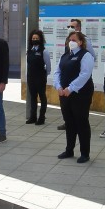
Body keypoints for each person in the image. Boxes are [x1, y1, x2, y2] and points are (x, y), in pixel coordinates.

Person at [54, 30, 96, 163]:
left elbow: (85, 74)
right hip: (64, 94)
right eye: (69, 40)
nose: (71, 42)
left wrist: (71, 88)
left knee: (81, 122)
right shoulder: (65, 55)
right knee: (69, 122)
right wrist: (58, 86)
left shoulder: (86, 55)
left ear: (81, 42)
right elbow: (57, 72)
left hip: (80, 94)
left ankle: (85, 153)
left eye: (74, 40)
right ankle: (69, 149)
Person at [57, 18, 82, 131]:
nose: (70, 29)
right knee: (65, 106)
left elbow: (90, 57)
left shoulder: (84, 40)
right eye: (69, 27)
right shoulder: (68, 41)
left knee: (77, 107)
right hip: (66, 78)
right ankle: (68, 122)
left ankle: (76, 123)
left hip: (77, 80)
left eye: (72, 27)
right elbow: (65, 57)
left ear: (78, 28)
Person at [25, 29, 51, 125]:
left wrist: (45, 75)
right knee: (33, 97)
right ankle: (33, 117)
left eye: (36, 38)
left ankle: (42, 117)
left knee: (42, 97)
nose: (34, 40)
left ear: (40, 39)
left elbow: (48, 66)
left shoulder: (44, 51)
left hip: (40, 78)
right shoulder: (29, 51)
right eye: (33, 38)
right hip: (31, 78)